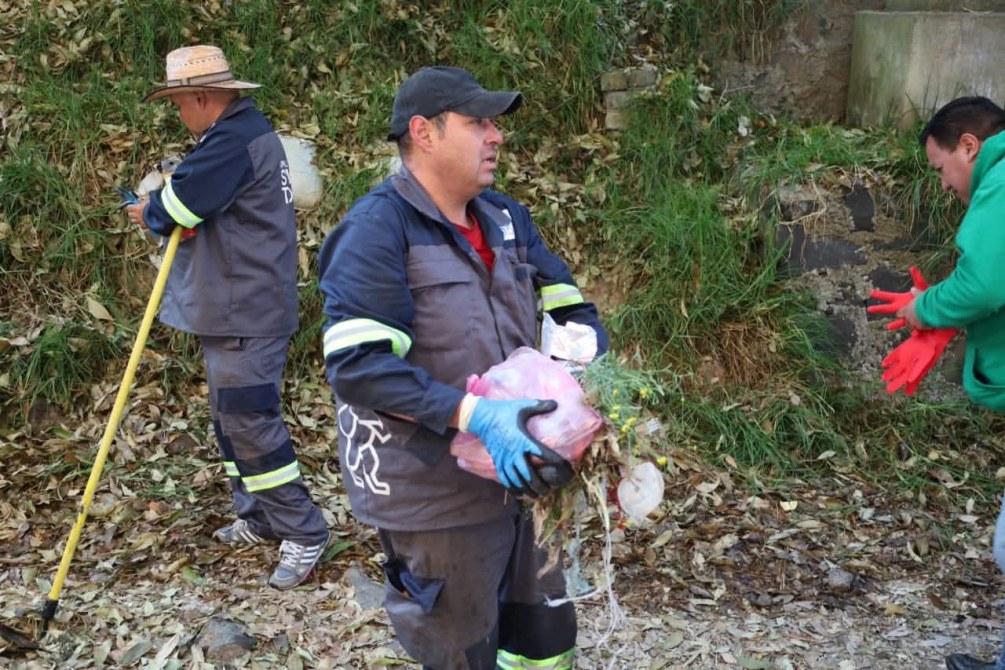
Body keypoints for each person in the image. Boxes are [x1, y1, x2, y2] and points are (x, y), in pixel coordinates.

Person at [317, 66, 608, 669]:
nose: (496, 136)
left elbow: (568, 307)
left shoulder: (503, 219)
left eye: (494, 124)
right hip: (434, 498)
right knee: (460, 653)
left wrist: (578, 400)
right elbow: (360, 367)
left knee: (542, 646)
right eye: (478, 123)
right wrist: (479, 416)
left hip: (527, 483)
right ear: (423, 132)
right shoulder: (378, 230)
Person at [125, 45, 330, 590]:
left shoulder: (232, 143)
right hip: (236, 304)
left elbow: (173, 211)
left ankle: (303, 528)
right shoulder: (239, 136)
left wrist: (148, 209)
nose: (177, 113)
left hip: (247, 308)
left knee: (249, 420)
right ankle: (260, 515)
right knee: (230, 417)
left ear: (199, 97)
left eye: (177, 103)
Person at [892, 96, 1005, 670]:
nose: (941, 185)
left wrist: (926, 312)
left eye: (940, 169)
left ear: (969, 146)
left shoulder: (1002, 183)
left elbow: (985, 283)